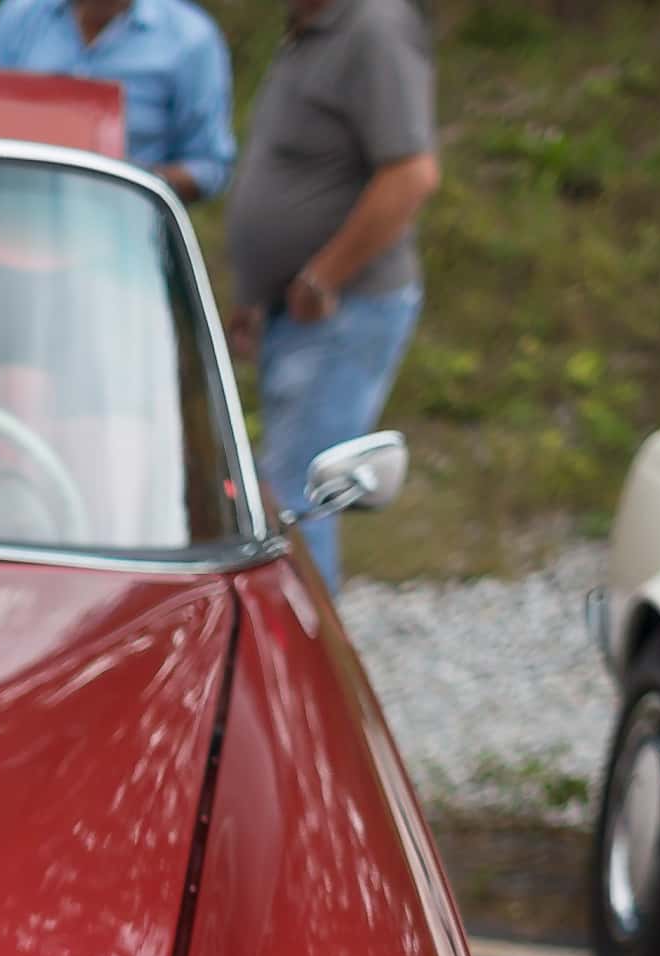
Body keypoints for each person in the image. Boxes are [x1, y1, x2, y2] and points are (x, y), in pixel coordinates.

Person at [225, 0, 442, 592]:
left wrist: (325, 275)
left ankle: (302, 643)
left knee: (302, 498)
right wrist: (254, 295)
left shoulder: (374, 26)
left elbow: (411, 174)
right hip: (292, 311)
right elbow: (298, 165)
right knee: (279, 492)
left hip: (344, 311)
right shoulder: (306, 28)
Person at [0, 0, 235, 202]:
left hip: (123, 231)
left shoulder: (191, 39)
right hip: (12, 213)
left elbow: (209, 167)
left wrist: (129, 179)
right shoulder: (17, 16)